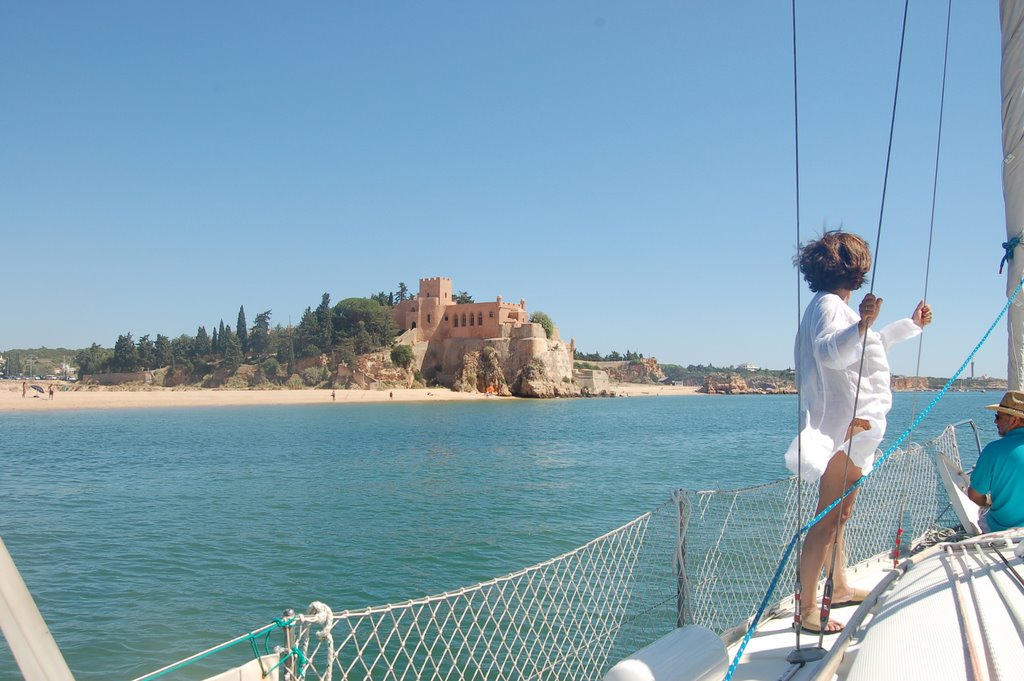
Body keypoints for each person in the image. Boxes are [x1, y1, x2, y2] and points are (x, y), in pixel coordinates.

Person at [786, 231, 932, 634]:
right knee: (828, 518)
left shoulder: (833, 307)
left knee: (840, 514)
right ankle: (809, 609)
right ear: (852, 265)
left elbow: (868, 346)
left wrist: (908, 325)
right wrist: (864, 323)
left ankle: (841, 584)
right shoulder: (831, 306)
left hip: (854, 428)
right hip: (843, 429)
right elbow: (831, 352)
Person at [967, 391, 1024, 532]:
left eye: (998, 417)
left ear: (1014, 420)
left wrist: (989, 501)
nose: (995, 421)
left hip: (1003, 529)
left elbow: (975, 495)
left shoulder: (994, 450)